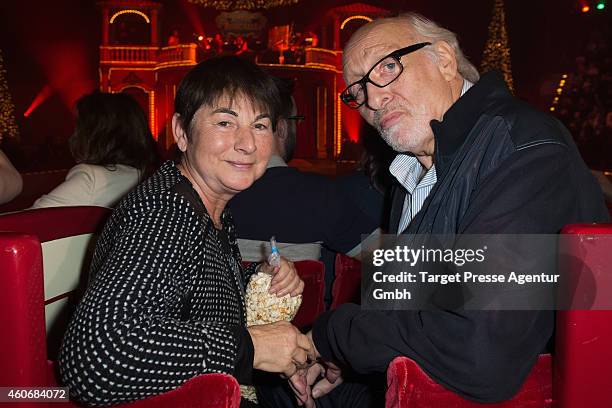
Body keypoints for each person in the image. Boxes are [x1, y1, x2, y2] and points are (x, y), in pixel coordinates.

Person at [274, 12, 609, 407]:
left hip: (511, 394)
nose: (374, 99)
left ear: (446, 60)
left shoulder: (522, 147)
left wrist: (330, 335)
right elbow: (397, 302)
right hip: (418, 376)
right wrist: (346, 356)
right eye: (357, 90)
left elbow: (479, 354)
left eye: (388, 67)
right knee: (283, 391)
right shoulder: (412, 170)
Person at [58, 56, 313, 407]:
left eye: (260, 126)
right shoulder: (165, 213)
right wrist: (252, 348)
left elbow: (188, 294)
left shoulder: (208, 206)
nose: (248, 144)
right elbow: (98, 358)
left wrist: (259, 280)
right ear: (181, 132)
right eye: (225, 122)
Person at [228, 77, 380, 273]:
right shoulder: (320, 196)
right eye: (297, 120)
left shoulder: (210, 195)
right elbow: (393, 258)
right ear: (282, 127)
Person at [31, 92, 158, 208]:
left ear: (95, 133)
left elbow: (29, 222)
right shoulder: (155, 176)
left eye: (77, 125)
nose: (72, 135)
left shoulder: (92, 178)